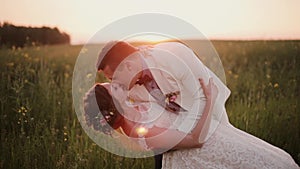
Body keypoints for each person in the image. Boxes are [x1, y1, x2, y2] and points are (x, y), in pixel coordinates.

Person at [94, 41, 299, 168]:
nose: (116, 84)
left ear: (127, 65)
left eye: (115, 78)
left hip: (209, 122)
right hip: (173, 138)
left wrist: (206, 137)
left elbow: (205, 94)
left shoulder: (174, 54)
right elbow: (132, 120)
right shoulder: (129, 89)